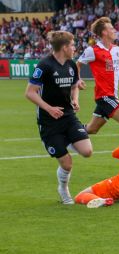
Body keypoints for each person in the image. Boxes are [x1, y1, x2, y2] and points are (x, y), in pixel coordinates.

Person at [25, 31, 92, 205]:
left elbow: (75, 84)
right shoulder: (44, 66)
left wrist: (75, 98)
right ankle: (63, 189)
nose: (74, 48)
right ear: (64, 47)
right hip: (49, 121)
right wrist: (49, 109)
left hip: (68, 116)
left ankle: (66, 140)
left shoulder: (70, 64)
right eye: (72, 45)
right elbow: (30, 93)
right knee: (67, 164)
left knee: (87, 151)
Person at [77, 17, 119, 145]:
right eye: (111, 29)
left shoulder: (118, 50)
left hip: (112, 95)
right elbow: (78, 64)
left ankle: (70, 130)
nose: (115, 31)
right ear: (104, 32)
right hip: (104, 96)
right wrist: (78, 80)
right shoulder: (93, 50)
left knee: (92, 129)